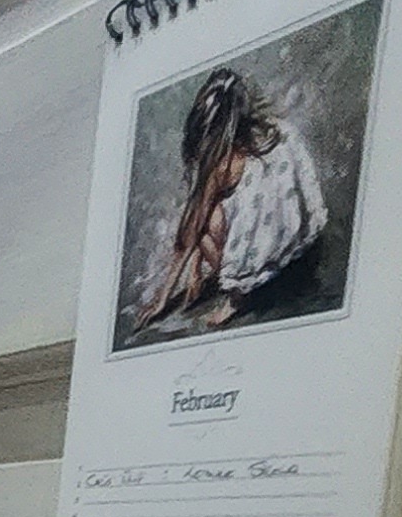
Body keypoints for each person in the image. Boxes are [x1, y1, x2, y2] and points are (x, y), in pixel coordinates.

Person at [134, 66, 329, 337]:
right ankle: (260, 272)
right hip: (293, 235)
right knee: (218, 210)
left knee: (207, 223)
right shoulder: (276, 130)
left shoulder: (221, 163)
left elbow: (190, 232)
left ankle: (237, 296)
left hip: (260, 250)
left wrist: (161, 299)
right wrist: (195, 265)